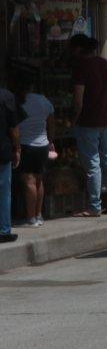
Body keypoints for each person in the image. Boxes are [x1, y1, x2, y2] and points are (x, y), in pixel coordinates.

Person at [70, 34, 107, 217]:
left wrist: (74, 119)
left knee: (92, 164)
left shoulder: (81, 68)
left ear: (77, 49)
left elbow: (78, 101)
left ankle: (94, 206)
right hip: (104, 121)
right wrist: (103, 107)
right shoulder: (105, 64)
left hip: (87, 122)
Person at [14, 75, 54, 227]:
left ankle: (31, 218)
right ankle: (38, 215)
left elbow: (14, 126)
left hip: (26, 145)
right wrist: (50, 141)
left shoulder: (18, 102)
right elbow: (51, 121)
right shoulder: (43, 100)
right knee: (39, 180)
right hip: (42, 145)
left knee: (29, 181)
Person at [0, 81, 22, 243]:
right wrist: (18, 149)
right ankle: (4, 230)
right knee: (4, 193)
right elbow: (14, 129)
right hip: (3, 151)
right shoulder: (6, 97)